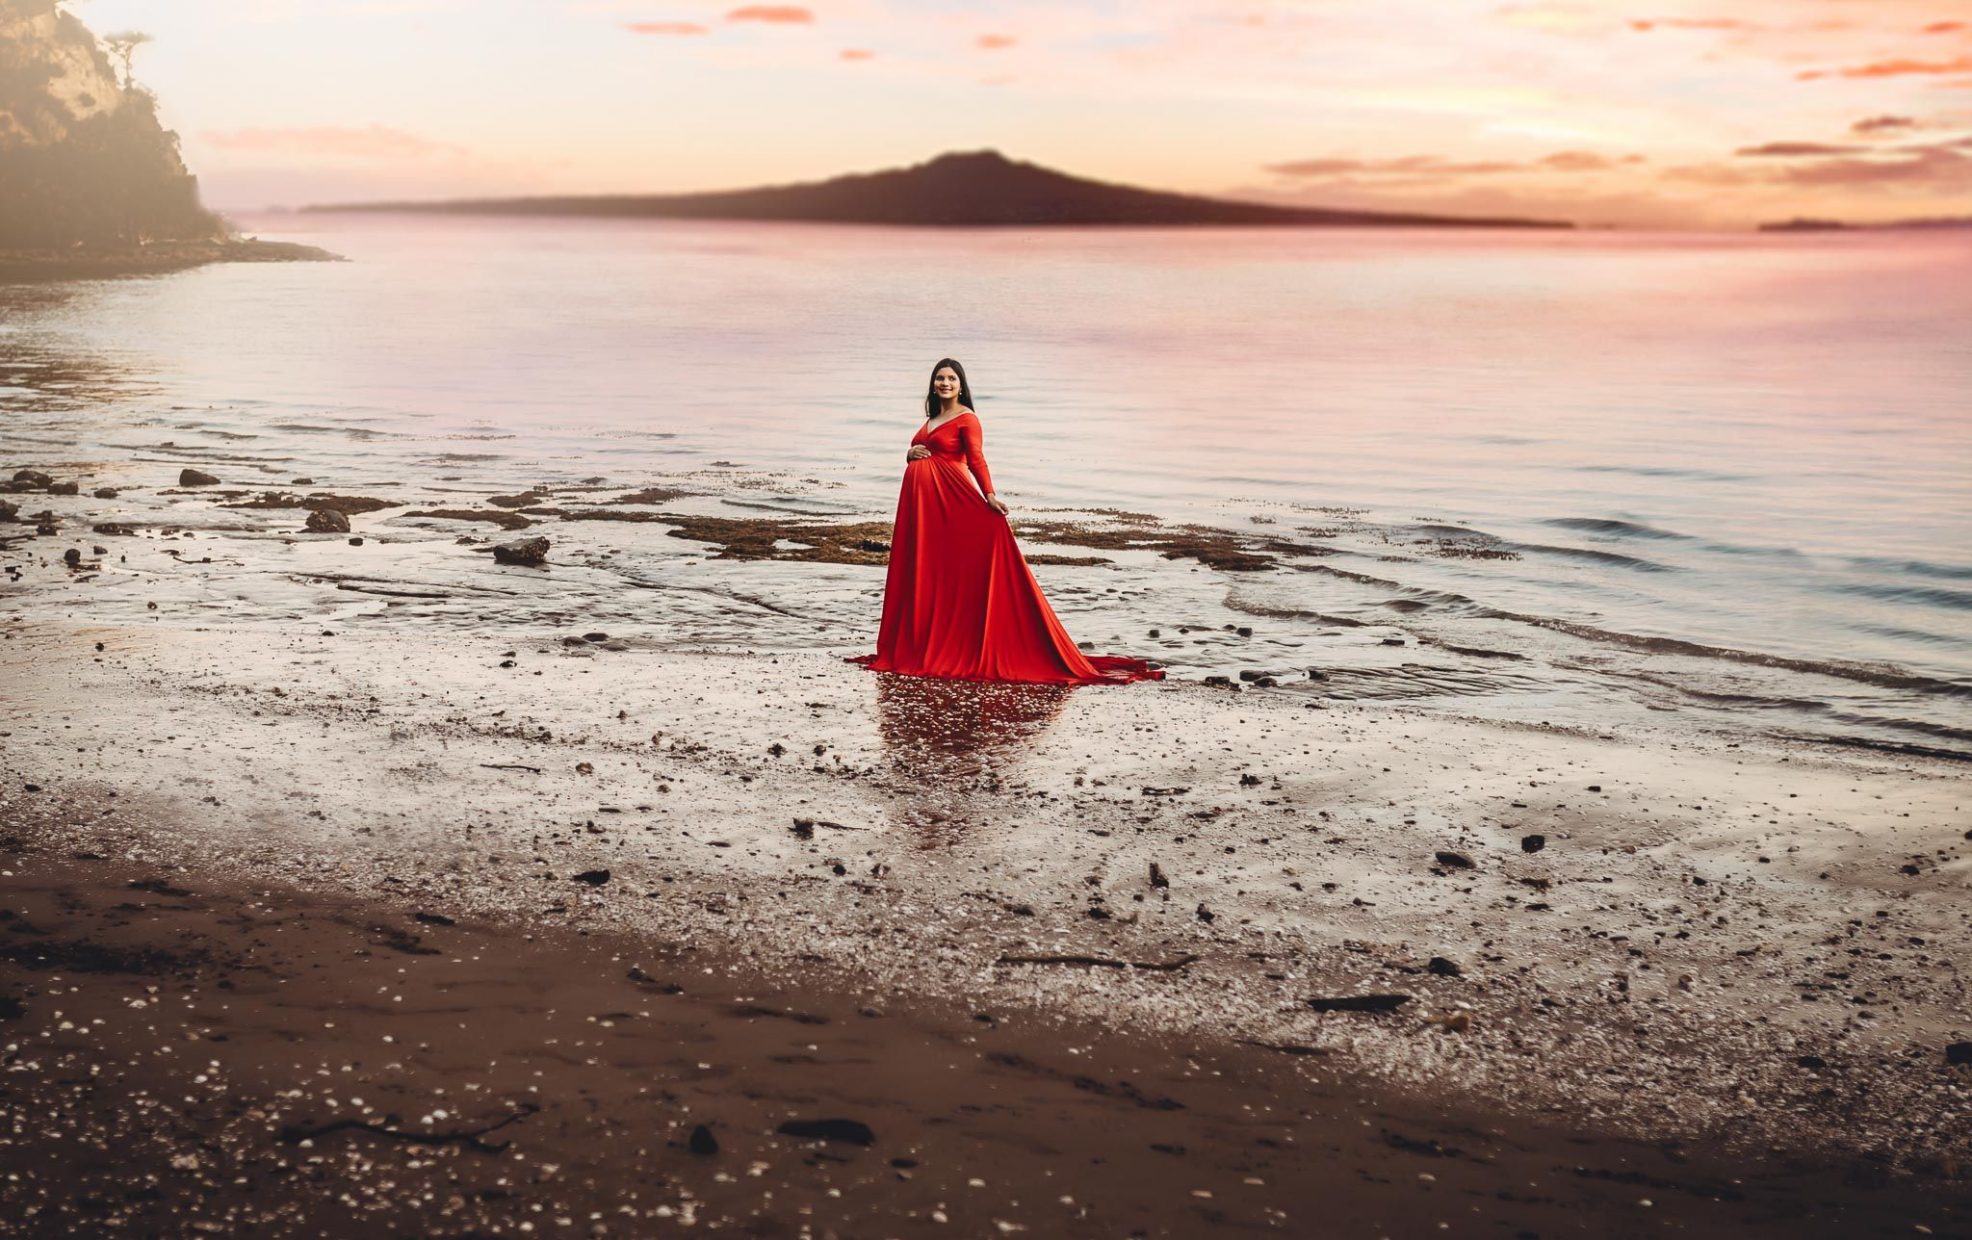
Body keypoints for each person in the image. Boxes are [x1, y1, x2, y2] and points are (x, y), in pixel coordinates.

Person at [849, 358, 1163, 685]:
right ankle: (923, 641)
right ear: (933, 384)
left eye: (951, 379)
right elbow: (924, 451)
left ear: (961, 385)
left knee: (956, 571)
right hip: (922, 509)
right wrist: (909, 453)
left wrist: (989, 496)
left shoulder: (968, 419)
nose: (945, 383)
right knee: (930, 571)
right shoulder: (934, 418)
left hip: (950, 503)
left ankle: (964, 643)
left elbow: (976, 460)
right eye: (940, 378)